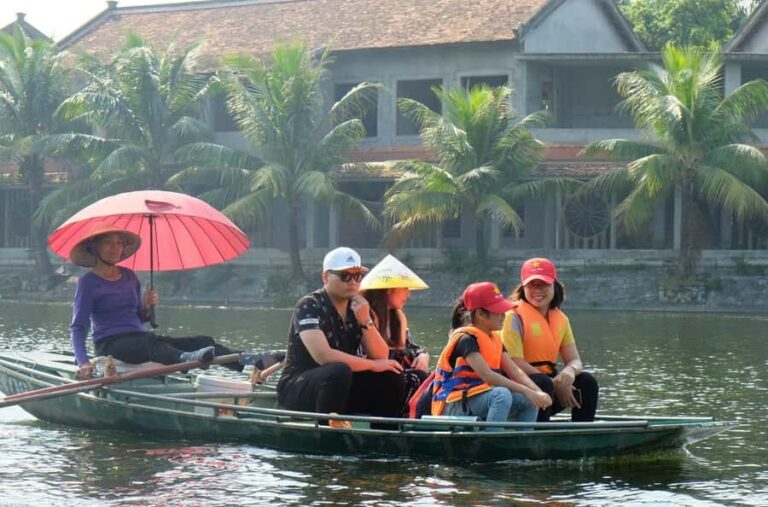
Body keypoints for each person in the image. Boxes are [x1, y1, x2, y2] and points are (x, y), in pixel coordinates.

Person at [69, 222, 249, 379]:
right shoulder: (88, 283)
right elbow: (79, 327)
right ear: (95, 247)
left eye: (119, 243)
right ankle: (185, 359)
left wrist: (147, 306)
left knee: (202, 341)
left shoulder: (129, 276)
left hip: (140, 339)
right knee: (150, 343)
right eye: (108, 242)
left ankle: (246, 359)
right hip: (110, 344)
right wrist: (83, 362)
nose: (114, 248)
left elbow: (139, 317)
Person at [277, 247, 407, 428]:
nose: (353, 282)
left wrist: (365, 320)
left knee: (391, 375)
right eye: (345, 276)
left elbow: (381, 355)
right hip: (299, 386)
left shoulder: (359, 307)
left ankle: (385, 437)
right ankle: (326, 433)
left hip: (340, 385)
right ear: (325, 277)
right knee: (338, 370)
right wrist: (373, 365)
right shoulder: (309, 305)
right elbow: (324, 356)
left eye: (358, 276)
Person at [431, 282, 551, 431]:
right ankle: (493, 442)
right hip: (453, 405)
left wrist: (536, 392)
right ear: (480, 314)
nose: (504, 316)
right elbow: (487, 376)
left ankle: (522, 443)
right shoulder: (466, 339)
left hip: (477, 400)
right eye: (499, 311)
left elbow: (516, 371)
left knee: (530, 401)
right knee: (502, 394)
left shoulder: (495, 339)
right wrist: (526, 390)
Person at [501, 258, 599, 422]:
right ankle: (538, 437)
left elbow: (575, 360)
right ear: (523, 287)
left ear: (554, 285)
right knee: (542, 382)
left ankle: (581, 435)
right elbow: (515, 363)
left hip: (549, 385)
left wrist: (569, 373)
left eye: (543, 284)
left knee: (587, 382)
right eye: (532, 285)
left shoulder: (561, 319)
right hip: (522, 388)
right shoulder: (512, 317)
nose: (537, 290)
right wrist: (554, 384)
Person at [359, 254, 430, 410]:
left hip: (395, 375)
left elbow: (411, 347)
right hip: (372, 378)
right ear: (390, 289)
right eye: (405, 288)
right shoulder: (364, 314)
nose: (408, 294)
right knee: (413, 377)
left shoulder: (396, 317)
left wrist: (423, 356)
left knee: (429, 377)